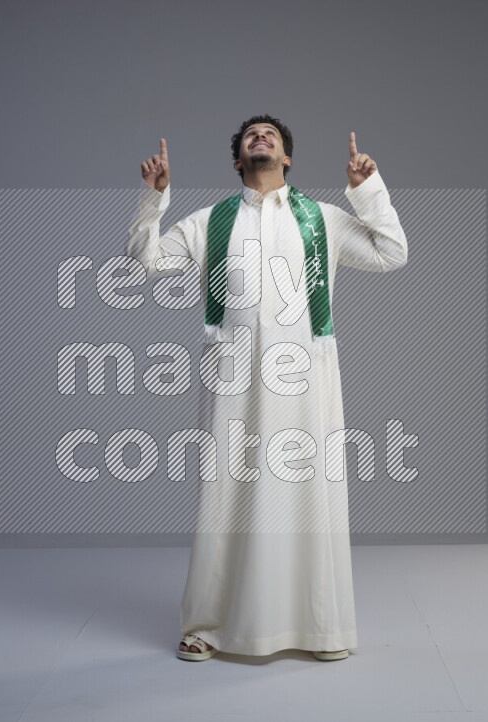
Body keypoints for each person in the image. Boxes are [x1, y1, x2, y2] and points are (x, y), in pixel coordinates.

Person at [126, 114, 408, 661]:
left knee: (308, 493)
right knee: (225, 494)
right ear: (238, 160)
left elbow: (392, 253)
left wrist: (367, 191)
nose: (261, 138)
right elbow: (146, 261)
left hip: (306, 374)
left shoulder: (321, 219)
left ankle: (319, 628)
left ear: (287, 159)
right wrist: (153, 201)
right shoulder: (211, 221)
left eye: (271, 136)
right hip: (230, 375)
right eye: (251, 136)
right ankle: (206, 626)